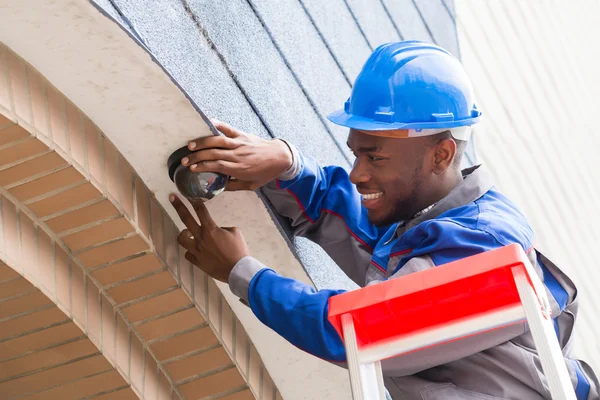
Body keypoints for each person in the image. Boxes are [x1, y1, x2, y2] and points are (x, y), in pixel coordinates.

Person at [169, 41, 598, 399]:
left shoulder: (480, 245)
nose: (357, 172)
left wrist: (244, 273)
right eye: (356, 152)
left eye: (374, 156)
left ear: (441, 154)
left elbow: (362, 332)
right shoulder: (442, 228)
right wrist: (289, 166)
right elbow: (364, 234)